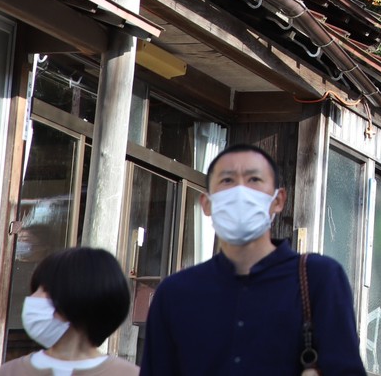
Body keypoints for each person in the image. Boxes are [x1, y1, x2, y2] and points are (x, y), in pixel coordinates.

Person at [140, 143, 365, 376]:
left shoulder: (319, 278)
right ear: (207, 204)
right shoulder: (175, 293)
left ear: (278, 200)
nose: (240, 191)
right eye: (227, 181)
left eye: (254, 180)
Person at [0, 246, 136, 376]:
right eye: (35, 289)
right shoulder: (9, 372)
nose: (33, 298)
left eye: (45, 290)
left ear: (79, 297)